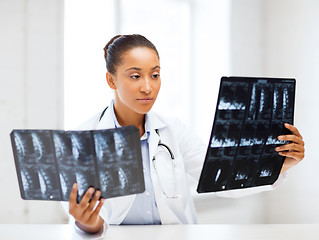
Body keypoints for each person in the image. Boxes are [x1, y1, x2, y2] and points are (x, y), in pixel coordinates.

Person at [65, 34, 305, 234]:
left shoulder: (173, 130)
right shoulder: (83, 138)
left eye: (155, 75)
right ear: (111, 80)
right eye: (135, 76)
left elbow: (220, 177)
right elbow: (87, 220)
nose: (148, 87)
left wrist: (278, 164)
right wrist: (88, 224)